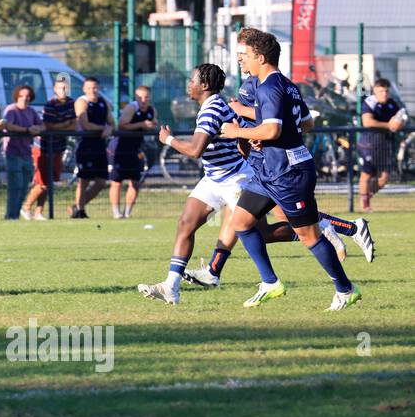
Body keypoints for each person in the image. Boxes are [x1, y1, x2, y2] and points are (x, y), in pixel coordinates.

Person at [187, 30, 372, 289]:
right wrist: (263, 133)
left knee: (308, 234)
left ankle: (345, 286)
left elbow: (273, 128)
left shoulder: (267, 86)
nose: (241, 60)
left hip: (286, 170)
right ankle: (267, 282)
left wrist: (241, 130)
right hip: (266, 169)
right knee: (241, 222)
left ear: (260, 57)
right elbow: (303, 122)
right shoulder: (286, 84)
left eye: (244, 55)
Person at [138, 65, 297, 303]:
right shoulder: (212, 105)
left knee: (261, 234)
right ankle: (171, 287)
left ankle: (309, 232)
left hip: (234, 179)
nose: (188, 84)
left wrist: (168, 139)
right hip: (214, 177)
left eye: (191, 80)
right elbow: (236, 139)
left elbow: (194, 150)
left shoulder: (211, 109)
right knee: (185, 224)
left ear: (204, 85)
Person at [22, 74, 75, 220]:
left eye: (65, 88)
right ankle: (26, 207)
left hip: (58, 147)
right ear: (54, 89)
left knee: (49, 183)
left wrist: (63, 126)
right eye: (60, 88)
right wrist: (65, 125)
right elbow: (50, 125)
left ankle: (39, 211)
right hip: (43, 147)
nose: (63, 90)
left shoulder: (71, 103)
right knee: (42, 183)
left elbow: (74, 124)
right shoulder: (50, 104)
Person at [109, 85, 156, 218]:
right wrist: (141, 125)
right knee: (116, 181)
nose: (143, 100)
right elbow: (122, 125)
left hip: (135, 150)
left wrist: (152, 125)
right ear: (136, 97)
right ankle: (116, 213)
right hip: (119, 149)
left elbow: (152, 124)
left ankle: (127, 213)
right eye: (140, 97)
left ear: (149, 97)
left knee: (135, 182)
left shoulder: (152, 110)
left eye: (146, 97)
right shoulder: (131, 108)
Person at [359, 78, 405, 212]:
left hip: (385, 145)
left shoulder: (392, 104)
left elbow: (399, 121)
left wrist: (399, 124)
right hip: (368, 144)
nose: (384, 94)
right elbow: (367, 122)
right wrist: (388, 125)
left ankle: (367, 195)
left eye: (386, 91)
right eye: (381, 91)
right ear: (375, 91)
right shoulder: (370, 102)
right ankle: (365, 203)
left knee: (384, 178)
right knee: (366, 174)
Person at [69, 76, 112, 218]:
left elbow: (112, 122)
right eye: (89, 88)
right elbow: (86, 124)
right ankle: (80, 211)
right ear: (84, 89)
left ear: (98, 88)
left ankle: (77, 206)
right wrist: (103, 128)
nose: (92, 90)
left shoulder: (103, 102)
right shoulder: (82, 102)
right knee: (84, 180)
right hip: (85, 145)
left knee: (101, 182)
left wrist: (109, 128)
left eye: (94, 87)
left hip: (99, 146)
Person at [1, 85, 42, 220]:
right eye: (22, 96)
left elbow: (42, 125)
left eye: (28, 96)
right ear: (17, 96)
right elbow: (8, 125)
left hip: (26, 153)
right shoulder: (11, 110)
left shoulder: (31, 111)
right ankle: (10, 215)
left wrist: (36, 128)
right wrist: (26, 130)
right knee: (15, 186)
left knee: (24, 187)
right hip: (13, 153)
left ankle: (16, 214)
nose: (25, 99)